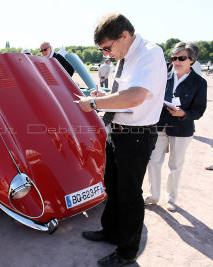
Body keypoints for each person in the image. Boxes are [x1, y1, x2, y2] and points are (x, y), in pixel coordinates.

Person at [75, 13, 167, 266]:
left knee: (129, 194)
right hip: (118, 131)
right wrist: (103, 94)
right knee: (113, 187)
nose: (106, 54)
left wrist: (94, 103)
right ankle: (111, 232)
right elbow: (122, 94)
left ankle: (127, 252)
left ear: (124, 36)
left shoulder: (149, 53)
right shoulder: (126, 55)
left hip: (136, 136)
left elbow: (135, 96)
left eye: (107, 48)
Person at [145, 42, 207, 211]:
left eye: (181, 58)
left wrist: (183, 114)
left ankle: (171, 198)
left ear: (192, 60)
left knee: (176, 165)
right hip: (160, 126)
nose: (176, 61)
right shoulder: (163, 77)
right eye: (174, 58)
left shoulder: (199, 83)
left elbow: (199, 110)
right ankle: (153, 195)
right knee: (153, 161)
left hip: (182, 129)